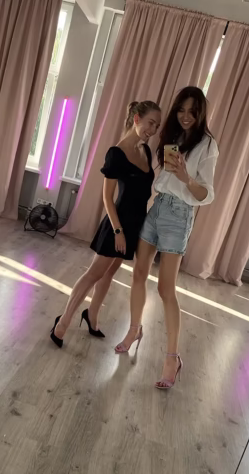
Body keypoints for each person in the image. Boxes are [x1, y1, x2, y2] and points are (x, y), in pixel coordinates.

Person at [115, 86, 219, 390]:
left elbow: (207, 195)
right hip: (158, 206)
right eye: (181, 110)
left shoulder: (208, 145)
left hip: (180, 214)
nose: (186, 116)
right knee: (138, 273)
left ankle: (172, 358)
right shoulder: (173, 136)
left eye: (192, 112)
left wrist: (186, 177)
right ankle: (134, 330)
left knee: (165, 288)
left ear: (200, 114)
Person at [50, 100, 162, 348]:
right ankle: (62, 323)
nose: (153, 130)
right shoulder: (116, 154)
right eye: (150, 123)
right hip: (116, 224)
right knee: (94, 273)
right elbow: (107, 198)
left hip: (135, 225)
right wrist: (118, 231)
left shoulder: (145, 151)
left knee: (109, 273)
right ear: (136, 119)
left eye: (157, 126)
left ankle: (92, 315)